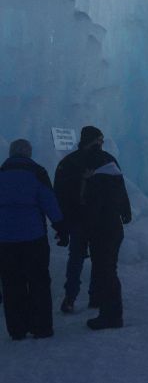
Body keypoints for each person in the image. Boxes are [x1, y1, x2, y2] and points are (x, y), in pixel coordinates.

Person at [0, 139, 68, 340]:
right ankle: (41, 327)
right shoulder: (37, 172)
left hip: (5, 240)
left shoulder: (1, 173)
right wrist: (61, 227)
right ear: (28, 153)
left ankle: (17, 329)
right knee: (39, 281)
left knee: (12, 283)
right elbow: (49, 202)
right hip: (33, 237)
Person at [80, 127, 132, 330]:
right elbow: (122, 192)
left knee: (105, 271)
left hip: (102, 230)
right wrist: (126, 212)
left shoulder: (96, 180)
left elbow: (92, 206)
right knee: (108, 269)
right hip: (114, 227)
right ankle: (107, 310)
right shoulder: (111, 170)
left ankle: (111, 316)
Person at [54, 126, 100, 313]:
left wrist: (61, 223)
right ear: (93, 140)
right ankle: (94, 296)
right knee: (97, 257)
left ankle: (71, 297)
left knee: (76, 258)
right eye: (99, 139)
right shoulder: (101, 160)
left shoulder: (67, 162)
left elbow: (58, 193)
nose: (101, 143)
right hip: (95, 217)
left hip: (76, 217)